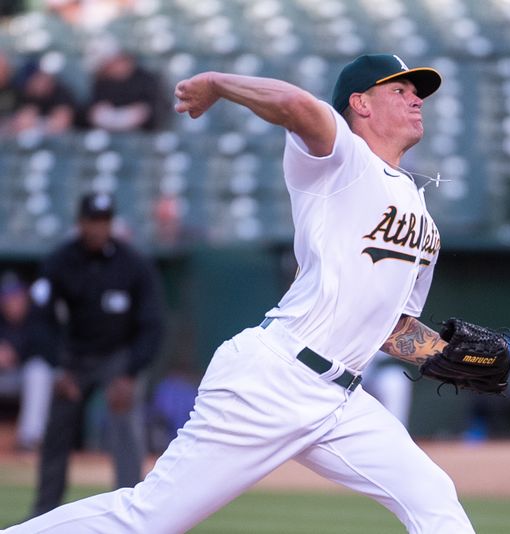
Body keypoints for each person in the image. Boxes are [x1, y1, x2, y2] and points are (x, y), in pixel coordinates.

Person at [5, 53, 475, 533]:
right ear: (361, 104)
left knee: (432, 495)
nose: (416, 98)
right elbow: (294, 104)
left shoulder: (424, 224)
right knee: (148, 518)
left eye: (418, 92)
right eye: (400, 90)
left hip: (343, 401)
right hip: (275, 378)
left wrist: (448, 355)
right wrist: (217, 83)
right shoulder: (343, 161)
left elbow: (392, 328)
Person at [25, 192, 165, 517]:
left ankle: (132, 513)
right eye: (92, 221)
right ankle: (44, 511)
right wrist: (55, 366)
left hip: (119, 357)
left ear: (111, 224)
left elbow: (153, 324)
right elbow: (39, 317)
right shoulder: (60, 261)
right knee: (57, 430)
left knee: (125, 429)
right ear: (80, 223)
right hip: (74, 358)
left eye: (104, 222)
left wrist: (131, 373)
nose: (97, 229)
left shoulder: (133, 264)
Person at [0, 270, 54, 452]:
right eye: (8, 298)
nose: (13, 302)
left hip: (23, 377)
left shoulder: (36, 320)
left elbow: (46, 352)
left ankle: (29, 440)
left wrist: (16, 355)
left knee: (38, 371)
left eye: (17, 296)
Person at [85, 46, 165, 131]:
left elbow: (152, 111)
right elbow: (94, 112)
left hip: (144, 135)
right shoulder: (102, 82)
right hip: (107, 135)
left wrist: (128, 117)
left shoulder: (146, 80)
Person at [10, 57, 78, 137]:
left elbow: (61, 122)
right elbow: (19, 122)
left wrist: (38, 124)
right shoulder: (27, 94)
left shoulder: (62, 93)